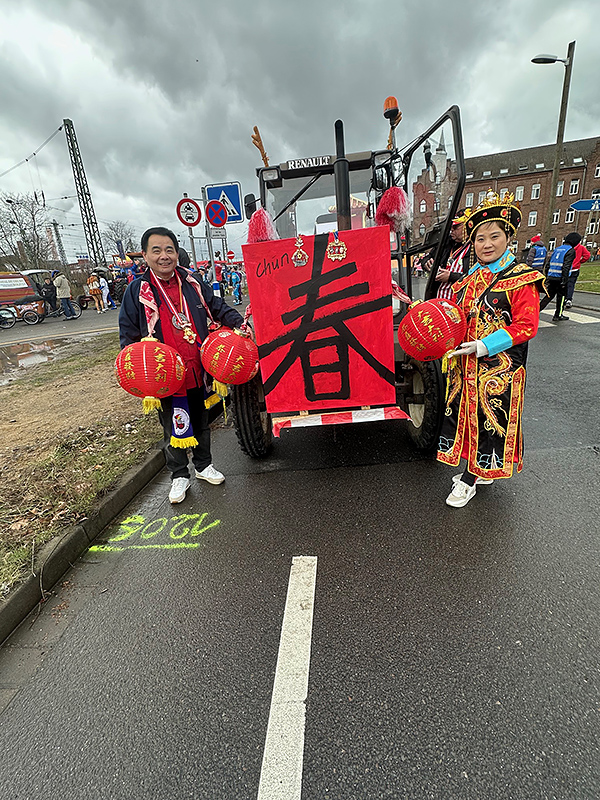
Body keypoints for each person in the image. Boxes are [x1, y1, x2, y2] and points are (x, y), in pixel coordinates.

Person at [119, 226, 245, 504]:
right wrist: (138, 372)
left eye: (169, 250)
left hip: (198, 368)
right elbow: (127, 333)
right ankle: (178, 476)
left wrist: (239, 323)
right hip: (164, 375)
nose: (164, 256)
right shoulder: (139, 290)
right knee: (172, 425)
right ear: (145, 255)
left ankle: (203, 466)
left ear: (177, 253)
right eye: (157, 250)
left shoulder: (192, 282)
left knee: (201, 421)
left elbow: (218, 308)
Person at [437, 191, 545, 508]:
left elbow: (527, 325)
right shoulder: (471, 279)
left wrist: (486, 344)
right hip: (466, 368)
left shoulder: (520, 278)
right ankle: (481, 469)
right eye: (480, 238)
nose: (486, 244)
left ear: (508, 237)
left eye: (494, 236)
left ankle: (469, 478)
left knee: (488, 419)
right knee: (468, 419)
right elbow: (456, 315)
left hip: (499, 371)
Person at [434, 209, 471, 299]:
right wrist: (426, 262)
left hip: (459, 300)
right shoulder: (448, 243)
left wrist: (450, 276)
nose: (452, 231)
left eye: (455, 228)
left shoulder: (474, 248)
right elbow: (429, 256)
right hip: (442, 297)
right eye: (451, 228)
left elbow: (473, 277)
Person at [539, 234, 577, 321]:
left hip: (552, 276)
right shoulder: (570, 251)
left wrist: (548, 276)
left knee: (548, 296)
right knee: (561, 297)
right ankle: (558, 315)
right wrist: (565, 280)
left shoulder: (557, 249)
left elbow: (548, 264)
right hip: (561, 278)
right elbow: (566, 266)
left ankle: (535, 311)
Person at [565, 233, 590, 309]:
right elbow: (587, 255)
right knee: (571, 284)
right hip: (575, 268)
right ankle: (569, 299)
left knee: (565, 284)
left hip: (567, 268)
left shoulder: (568, 247)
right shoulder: (581, 248)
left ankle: (564, 298)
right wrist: (580, 261)